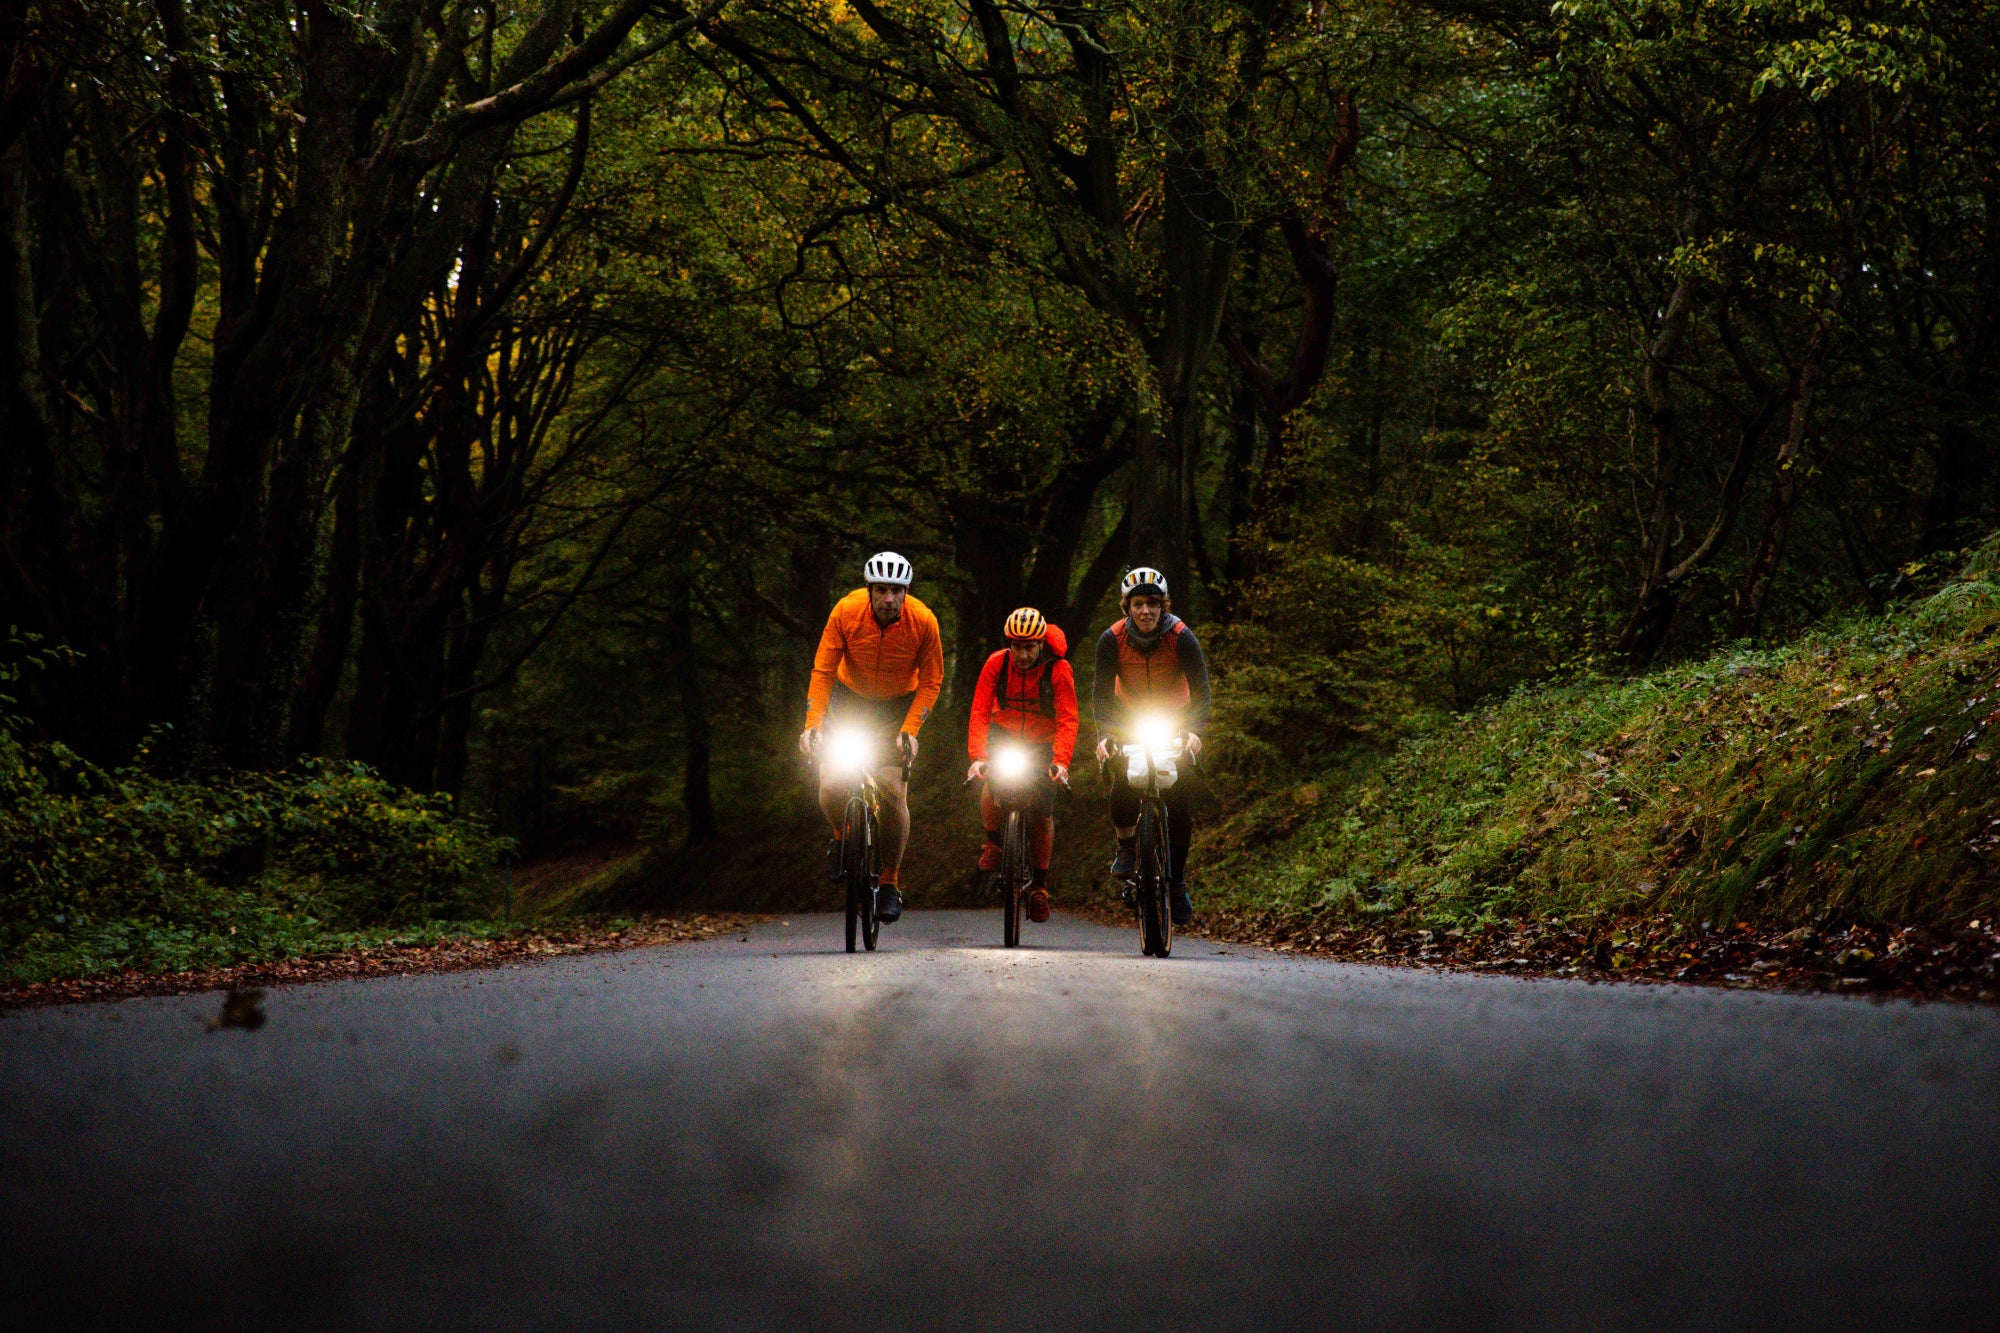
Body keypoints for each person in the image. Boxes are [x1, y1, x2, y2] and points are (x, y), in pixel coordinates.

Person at [799, 552, 944, 924]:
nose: (889, 599)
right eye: (881, 590)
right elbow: (823, 669)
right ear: (870, 590)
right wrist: (813, 723)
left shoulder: (924, 621)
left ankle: (891, 882)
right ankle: (841, 835)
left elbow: (931, 681)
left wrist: (911, 730)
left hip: (896, 709)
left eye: (896, 591)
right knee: (831, 783)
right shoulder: (845, 612)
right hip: (849, 702)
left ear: (906, 591)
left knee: (892, 792)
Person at [1092, 567, 1211, 926]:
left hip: (1173, 718)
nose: (1146, 611)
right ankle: (1127, 846)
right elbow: (1100, 695)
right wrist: (1104, 735)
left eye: (1154, 604)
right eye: (1139, 604)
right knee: (1122, 777)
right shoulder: (1110, 639)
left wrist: (1194, 731)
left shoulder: (1181, 636)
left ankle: (1176, 882)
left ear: (1164, 606)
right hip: (1128, 716)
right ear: (1127, 607)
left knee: (1180, 795)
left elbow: (1202, 691)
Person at [965, 608, 1079, 924]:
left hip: (1044, 743)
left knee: (1043, 810)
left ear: (1041, 644)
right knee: (990, 779)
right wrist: (978, 757)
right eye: (1017, 646)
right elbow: (978, 712)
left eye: (1030, 646)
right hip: (1005, 734)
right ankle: (994, 841)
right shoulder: (996, 664)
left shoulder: (1059, 669)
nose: (1023, 654)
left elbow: (1068, 718)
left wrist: (1061, 762)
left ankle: (1039, 888)